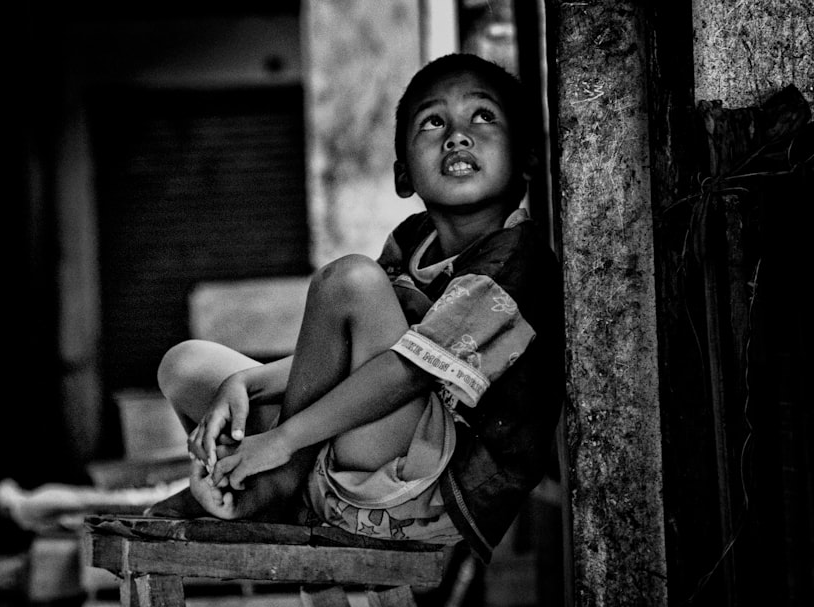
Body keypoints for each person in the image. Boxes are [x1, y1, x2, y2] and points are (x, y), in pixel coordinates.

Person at [154, 53, 564, 564]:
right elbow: (355, 351)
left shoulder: (513, 264)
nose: (457, 136)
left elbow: (406, 374)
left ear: (527, 156)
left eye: (482, 116)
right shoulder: (414, 240)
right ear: (403, 177)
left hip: (423, 488)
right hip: (358, 458)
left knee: (349, 279)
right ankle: (268, 486)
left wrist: (280, 441)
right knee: (186, 365)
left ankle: (275, 485)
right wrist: (246, 386)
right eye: (434, 122)